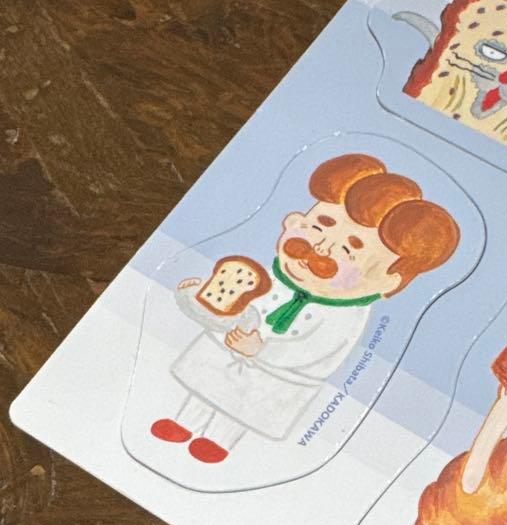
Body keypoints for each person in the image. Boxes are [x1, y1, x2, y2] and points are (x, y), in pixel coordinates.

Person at [150, 154, 460, 464]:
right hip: (224, 354)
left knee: (240, 408)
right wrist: (202, 298)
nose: (320, 248)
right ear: (295, 222)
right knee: (206, 385)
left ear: (387, 281)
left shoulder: (346, 316)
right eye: (321, 225)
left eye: (349, 249)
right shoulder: (271, 276)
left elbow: (318, 352)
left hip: (274, 381)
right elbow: (238, 302)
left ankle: (219, 439)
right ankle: (185, 421)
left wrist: (261, 351)